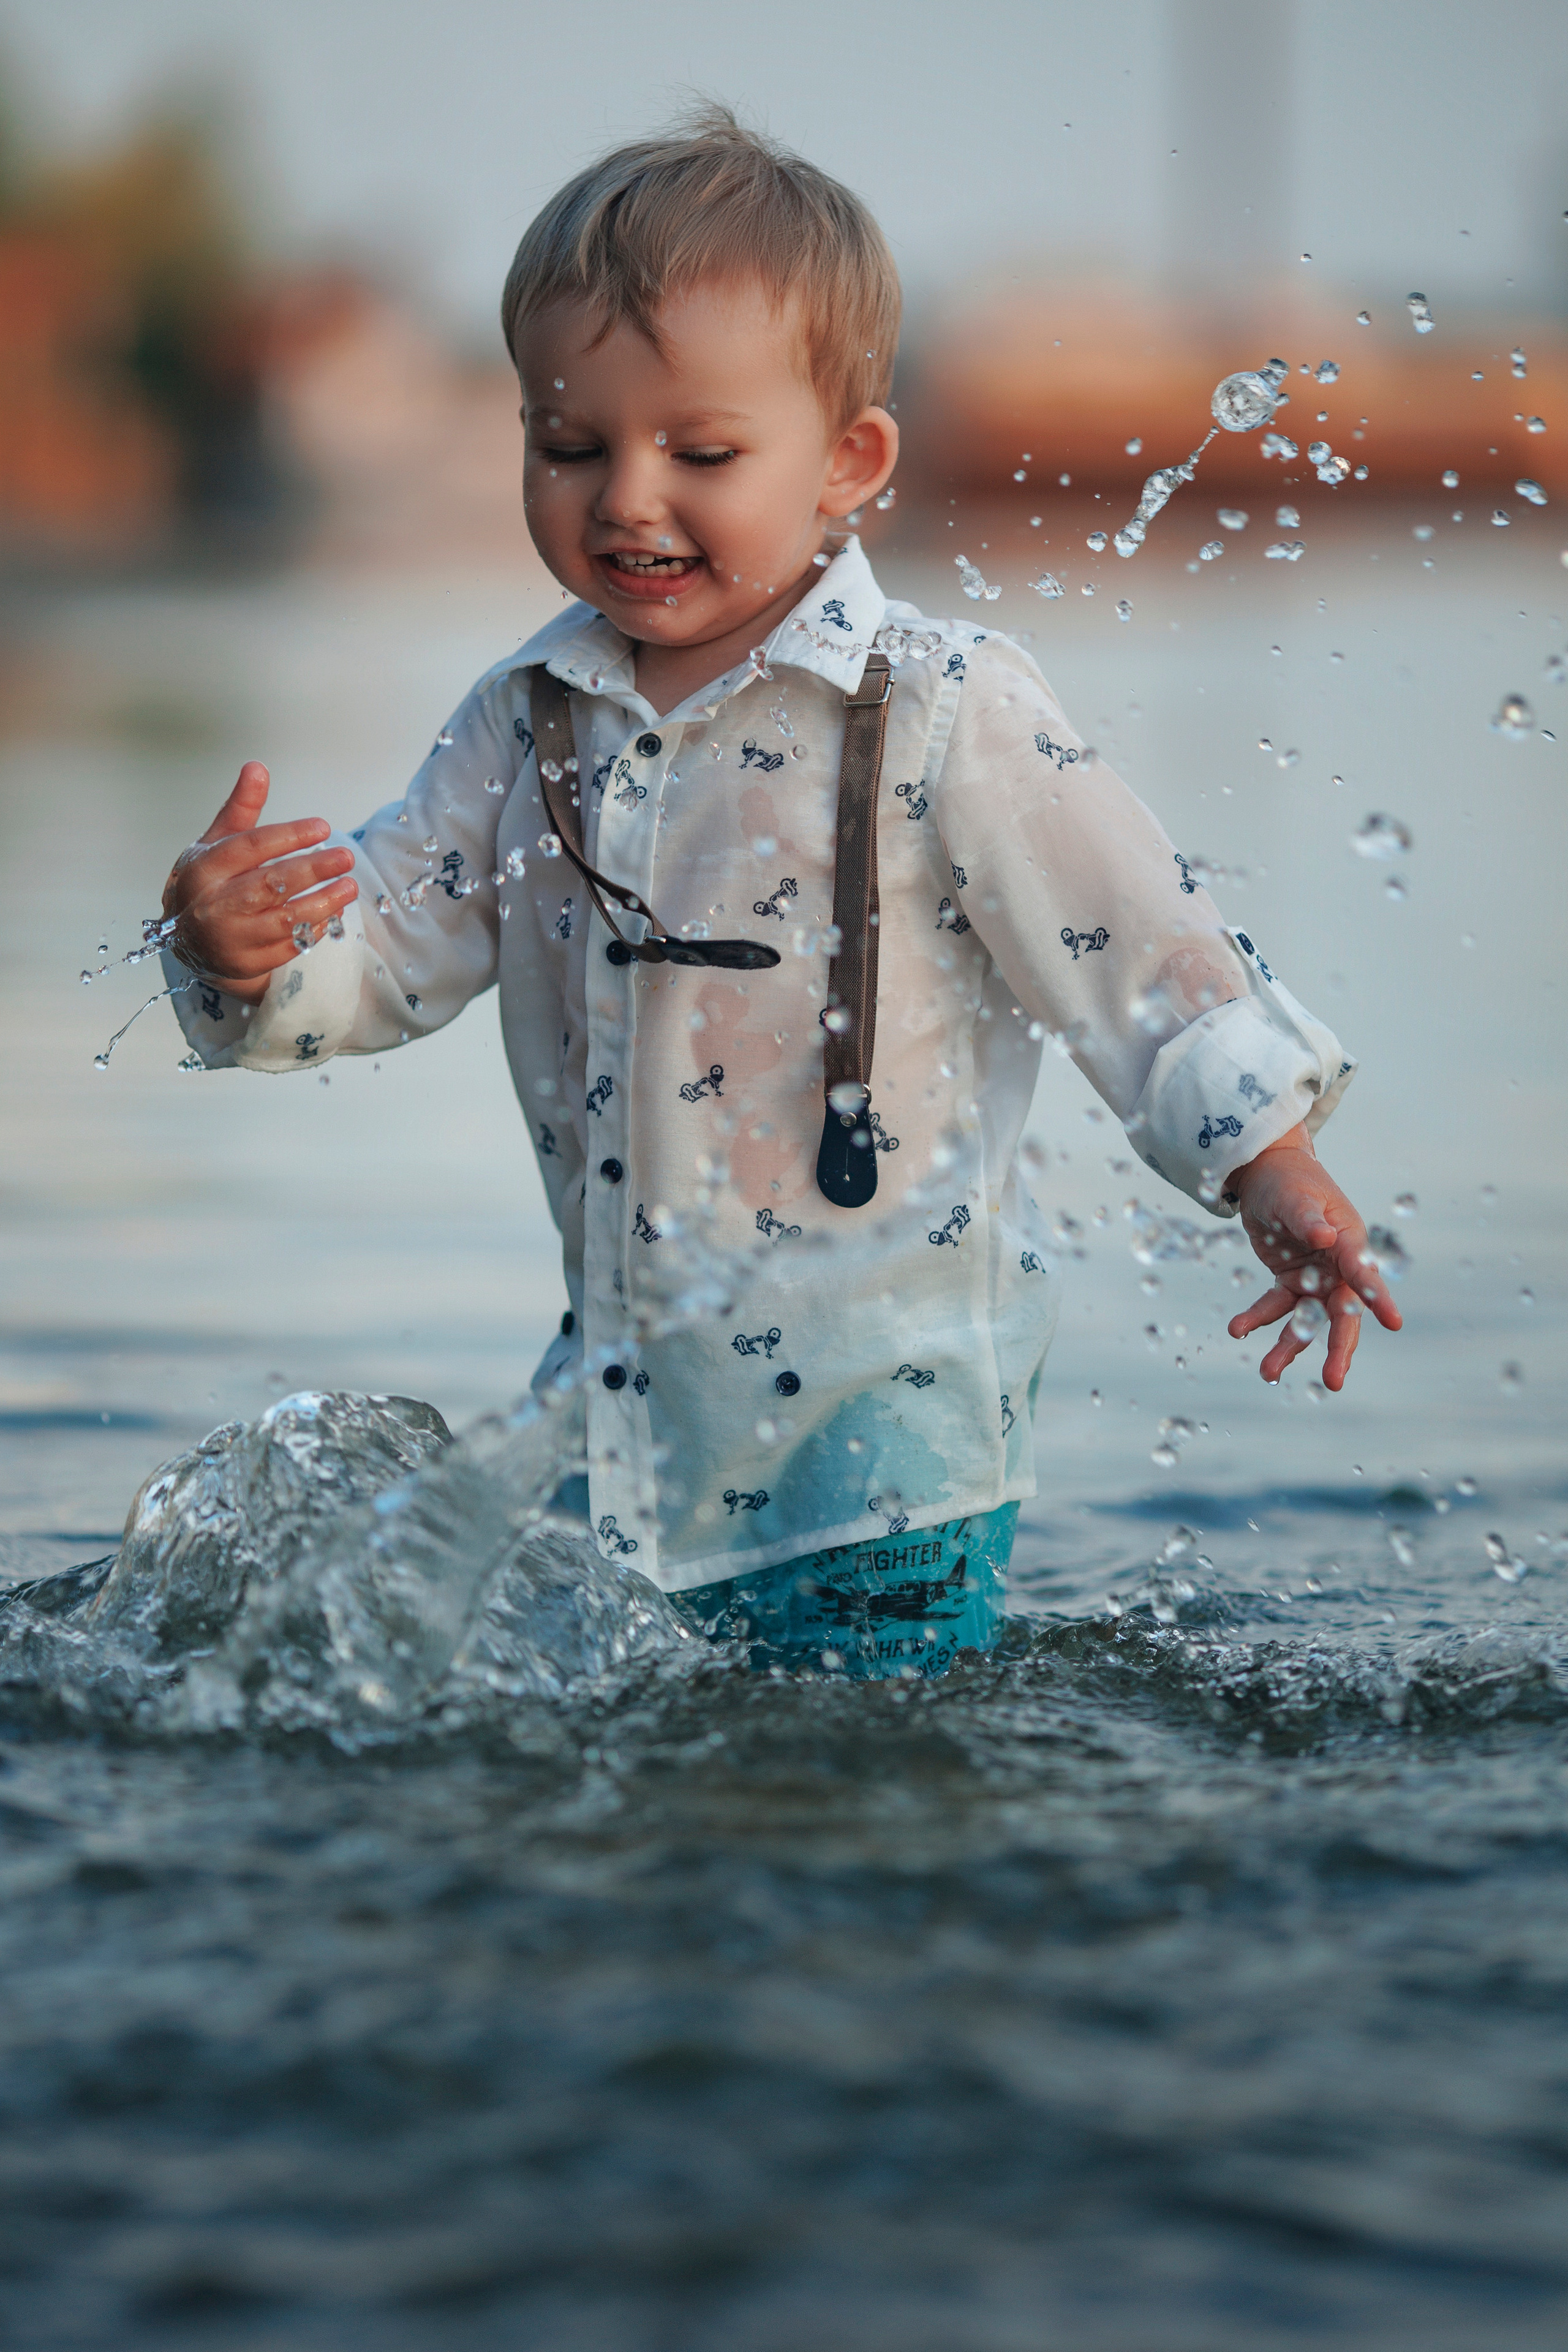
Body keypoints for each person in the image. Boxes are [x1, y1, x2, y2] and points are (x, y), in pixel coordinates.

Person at [158, 107, 1401, 1679]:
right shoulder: (521, 723)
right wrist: (250, 955)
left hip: (890, 1446)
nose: (625, 498)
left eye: (700, 453)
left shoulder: (942, 709)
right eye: (570, 447)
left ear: (848, 464)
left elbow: (1140, 959)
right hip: (629, 1432)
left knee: (861, 1800)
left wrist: (1265, 1162)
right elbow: (384, 959)